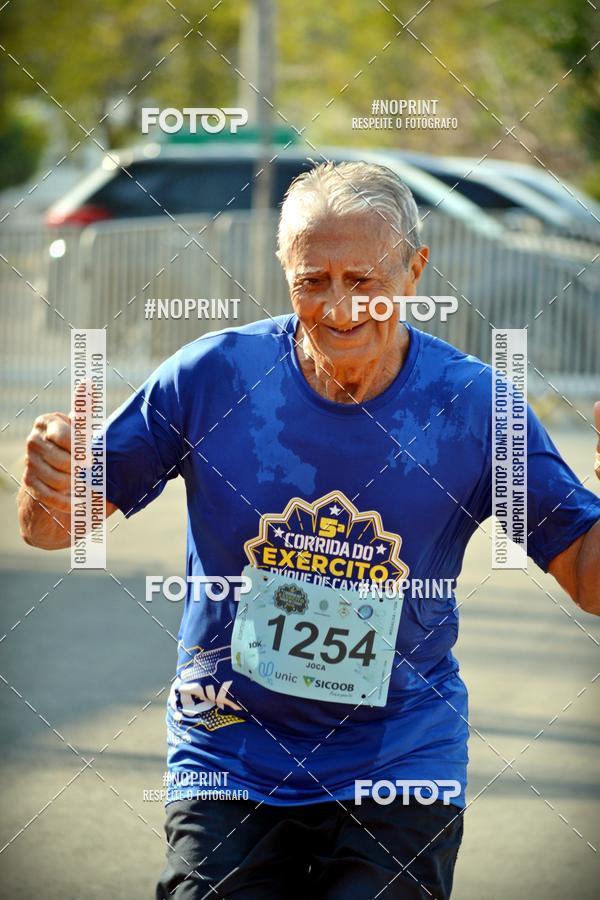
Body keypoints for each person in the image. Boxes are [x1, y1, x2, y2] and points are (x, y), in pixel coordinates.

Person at [18, 161, 600, 899]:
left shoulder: (476, 409)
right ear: (284, 270)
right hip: (227, 752)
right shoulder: (212, 378)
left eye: (364, 280)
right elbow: (52, 529)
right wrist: (51, 487)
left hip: (398, 762)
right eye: (312, 280)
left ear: (415, 271)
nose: (340, 306)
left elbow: (588, 576)